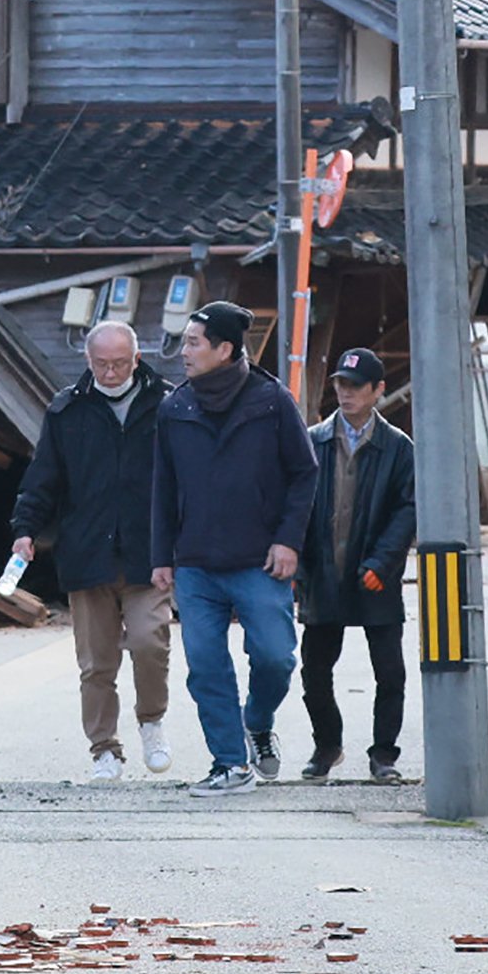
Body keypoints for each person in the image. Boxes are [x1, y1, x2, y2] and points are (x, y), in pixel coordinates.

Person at [149, 299, 317, 795]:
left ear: (224, 349)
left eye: (194, 343)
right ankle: (229, 763)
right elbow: (163, 485)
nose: (184, 352)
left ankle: (257, 722)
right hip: (197, 563)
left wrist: (289, 541)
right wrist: (162, 556)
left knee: (275, 658)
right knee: (205, 665)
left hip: (260, 561)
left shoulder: (271, 401)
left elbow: (304, 473)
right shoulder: (175, 408)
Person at [8, 320, 171, 783]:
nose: (111, 371)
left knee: (149, 641)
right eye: (102, 363)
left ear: (136, 359)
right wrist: (25, 529)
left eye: (120, 363)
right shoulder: (66, 411)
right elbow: (43, 478)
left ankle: (152, 722)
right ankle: (104, 747)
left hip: (148, 551)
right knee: (97, 663)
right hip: (87, 552)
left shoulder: (168, 404)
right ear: (88, 361)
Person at [297, 347, 416, 784]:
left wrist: (383, 562)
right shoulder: (314, 441)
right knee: (314, 672)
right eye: (340, 386)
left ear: (378, 391)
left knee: (389, 672)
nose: (346, 394)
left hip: (374, 576)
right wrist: (297, 564)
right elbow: (295, 505)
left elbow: (407, 511)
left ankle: (384, 754)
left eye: (356, 387)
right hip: (323, 573)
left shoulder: (398, 448)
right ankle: (327, 745)